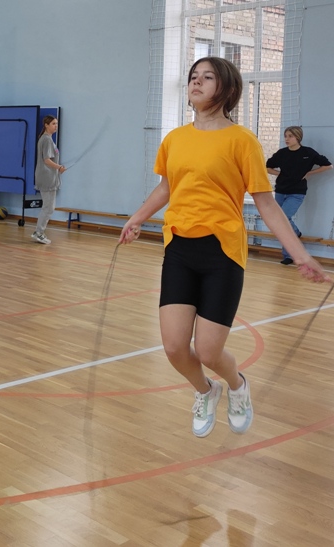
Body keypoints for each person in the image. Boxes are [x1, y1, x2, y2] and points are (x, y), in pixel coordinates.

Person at [118, 57, 331, 439]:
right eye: (193, 77)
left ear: (228, 88)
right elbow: (167, 188)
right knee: (174, 347)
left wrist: (301, 256)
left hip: (223, 252)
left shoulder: (242, 140)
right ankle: (205, 391)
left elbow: (266, 204)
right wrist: (136, 218)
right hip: (179, 248)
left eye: (207, 77)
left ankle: (237, 385)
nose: (196, 82)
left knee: (210, 352)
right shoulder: (175, 139)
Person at [266, 126, 332, 265]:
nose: (287, 139)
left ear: (298, 137)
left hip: (297, 192)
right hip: (280, 191)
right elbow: (267, 167)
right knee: (282, 222)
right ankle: (288, 254)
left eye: (290, 136)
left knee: (284, 218)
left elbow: (328, 165)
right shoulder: (282, 153)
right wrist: (280, 174)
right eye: (285, 136)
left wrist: (309, 173)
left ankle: (294, 237)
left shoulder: (308, 153)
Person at [32, 115, 65, 244]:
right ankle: (38, 232)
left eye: (56, 123)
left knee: (49, 207)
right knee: (48, 207)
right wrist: (59, 167)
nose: (56, 126)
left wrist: (58, 167)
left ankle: (39, 232)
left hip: (50, 177)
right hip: (46, 178)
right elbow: (46, 160)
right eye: (53, 124)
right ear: (46, 125)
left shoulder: (49, 139)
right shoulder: (46, 140)